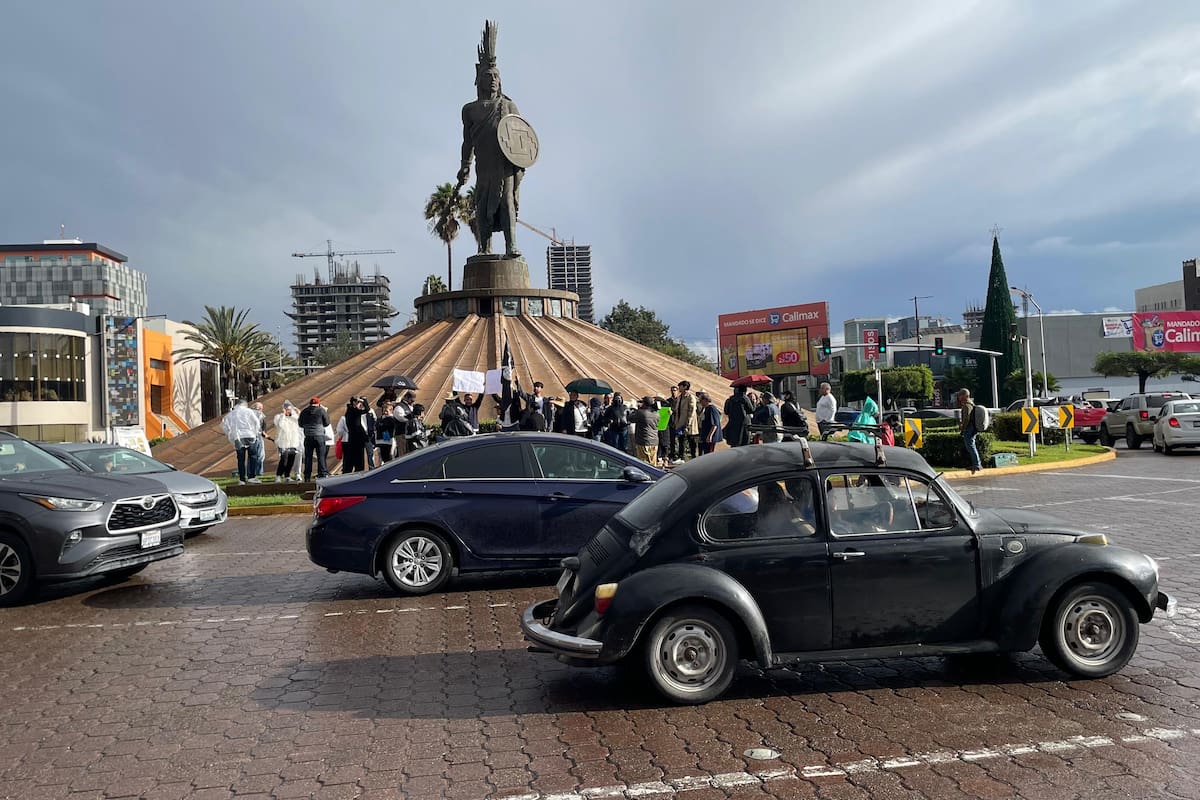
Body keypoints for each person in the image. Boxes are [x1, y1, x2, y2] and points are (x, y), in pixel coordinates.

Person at [457, 21, 526, 258]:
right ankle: (485, 248)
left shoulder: (508, 105)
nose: (494, 80)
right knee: (483, 206)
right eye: (489, 76)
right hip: (483, 168)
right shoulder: (470, 110)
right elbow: (468, 142)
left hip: (504, 167)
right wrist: (465, 166)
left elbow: (521, 138)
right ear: (480, 80)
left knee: (506, 202)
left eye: (497, 76)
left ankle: (511, 245)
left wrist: (520, 162)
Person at [221, 399, 261, 485]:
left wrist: (230, 434)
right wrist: (255, 432)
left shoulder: (232, 414)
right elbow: (256, 422)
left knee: (240, 458)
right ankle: (251, 476)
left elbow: (224, 425)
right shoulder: (249, 411)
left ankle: (242, 479)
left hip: (238, 437)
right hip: (250, 435)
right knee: (253, 456)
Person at [299, 396, 331, 481]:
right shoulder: (321, 410)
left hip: (308, 437)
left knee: (308, 457)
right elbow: (327, 423)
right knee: (321, 456)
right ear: (318, 403)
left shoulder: (304, 411)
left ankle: (307, 476)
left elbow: (300, 424)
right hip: (319, 436)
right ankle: (322, 474)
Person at [273, 401, 303, 482]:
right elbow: (280, 425)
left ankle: (287, 475)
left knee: (291, 460)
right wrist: (283, 415)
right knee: (284, 460)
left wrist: (298, 414)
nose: (288, 411)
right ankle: (279, 475)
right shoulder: (279, 417)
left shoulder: (294, 418)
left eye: (290, 409)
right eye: (287, 409)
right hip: (283, 442)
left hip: (293, 442)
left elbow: (300, 423)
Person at [338, 397, 370, 473]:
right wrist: (364, 400)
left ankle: (348, 472)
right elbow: (367, 409)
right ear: (355, 403)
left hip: (352, 438)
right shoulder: (353, 411)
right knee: (359, 460)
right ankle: (358, 472)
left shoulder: (349, 411)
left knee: (349, 460)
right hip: (357, 439)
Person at [957, 388, 983, 474]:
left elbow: (966, 418)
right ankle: (976, 464)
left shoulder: (967, 405)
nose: (959, 397)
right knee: (971, 446)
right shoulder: (970, 404)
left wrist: (962, 428)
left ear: (965, 396)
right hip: (972, 428)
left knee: (970, 446)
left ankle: (977, 465)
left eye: (961, 395)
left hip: (969, 428)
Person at [630, 396, 660, 465]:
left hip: (643, 441)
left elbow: (631, 418)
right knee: (653, 463)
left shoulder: (641, 413)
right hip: (654, 441)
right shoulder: (657, 414)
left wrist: (635, 409)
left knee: (643, 463)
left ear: (644, 404)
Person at [674, 381, 699, 463]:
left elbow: (691, 411)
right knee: (681, 441)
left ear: (685, 387)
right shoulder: (680, 397)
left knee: (691, 441)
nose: (679, 388)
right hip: (680, 422)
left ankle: (694, 458)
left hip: (689, 424)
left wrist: (688, 424)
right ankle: (681, 458)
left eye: (680, 386)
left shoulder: (691, 397)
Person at [248, 401, 267, 482]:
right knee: (259, 455)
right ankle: (258, 471)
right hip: (257, 436)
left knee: (251, 455)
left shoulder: (247, 414)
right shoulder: (259, 414)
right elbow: (262, 425)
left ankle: (251, 472)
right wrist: (263, 432)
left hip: (249, 436)